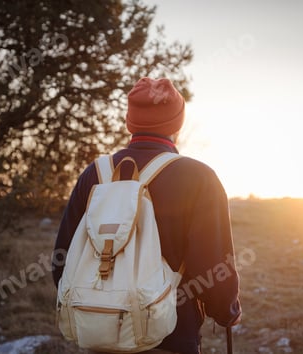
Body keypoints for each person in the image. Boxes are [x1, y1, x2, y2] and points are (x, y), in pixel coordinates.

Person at [52, 77, 241, 354]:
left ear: (130, 122)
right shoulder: (199, 177)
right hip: (171, 338)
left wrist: (101, 307)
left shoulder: (94, 174)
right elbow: (212, 266)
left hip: (99, 335)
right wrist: (226, 311)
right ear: (177, 124)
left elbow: (62, 260)